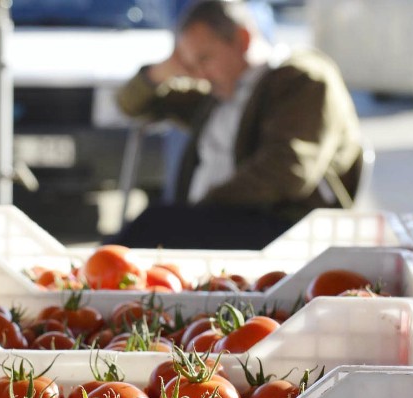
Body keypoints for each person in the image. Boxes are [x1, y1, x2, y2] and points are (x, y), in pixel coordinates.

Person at [115, 0, 363, 250]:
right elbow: (131, 104)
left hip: (280, 227)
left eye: (205, 58)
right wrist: (168, 68)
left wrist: (204, 205)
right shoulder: (217, 92)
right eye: (192, 65)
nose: (199, 73)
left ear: (243, 39)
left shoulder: (301, 79)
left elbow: (287, 172)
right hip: (213, 220)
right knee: (151, 226)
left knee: (153, 226)